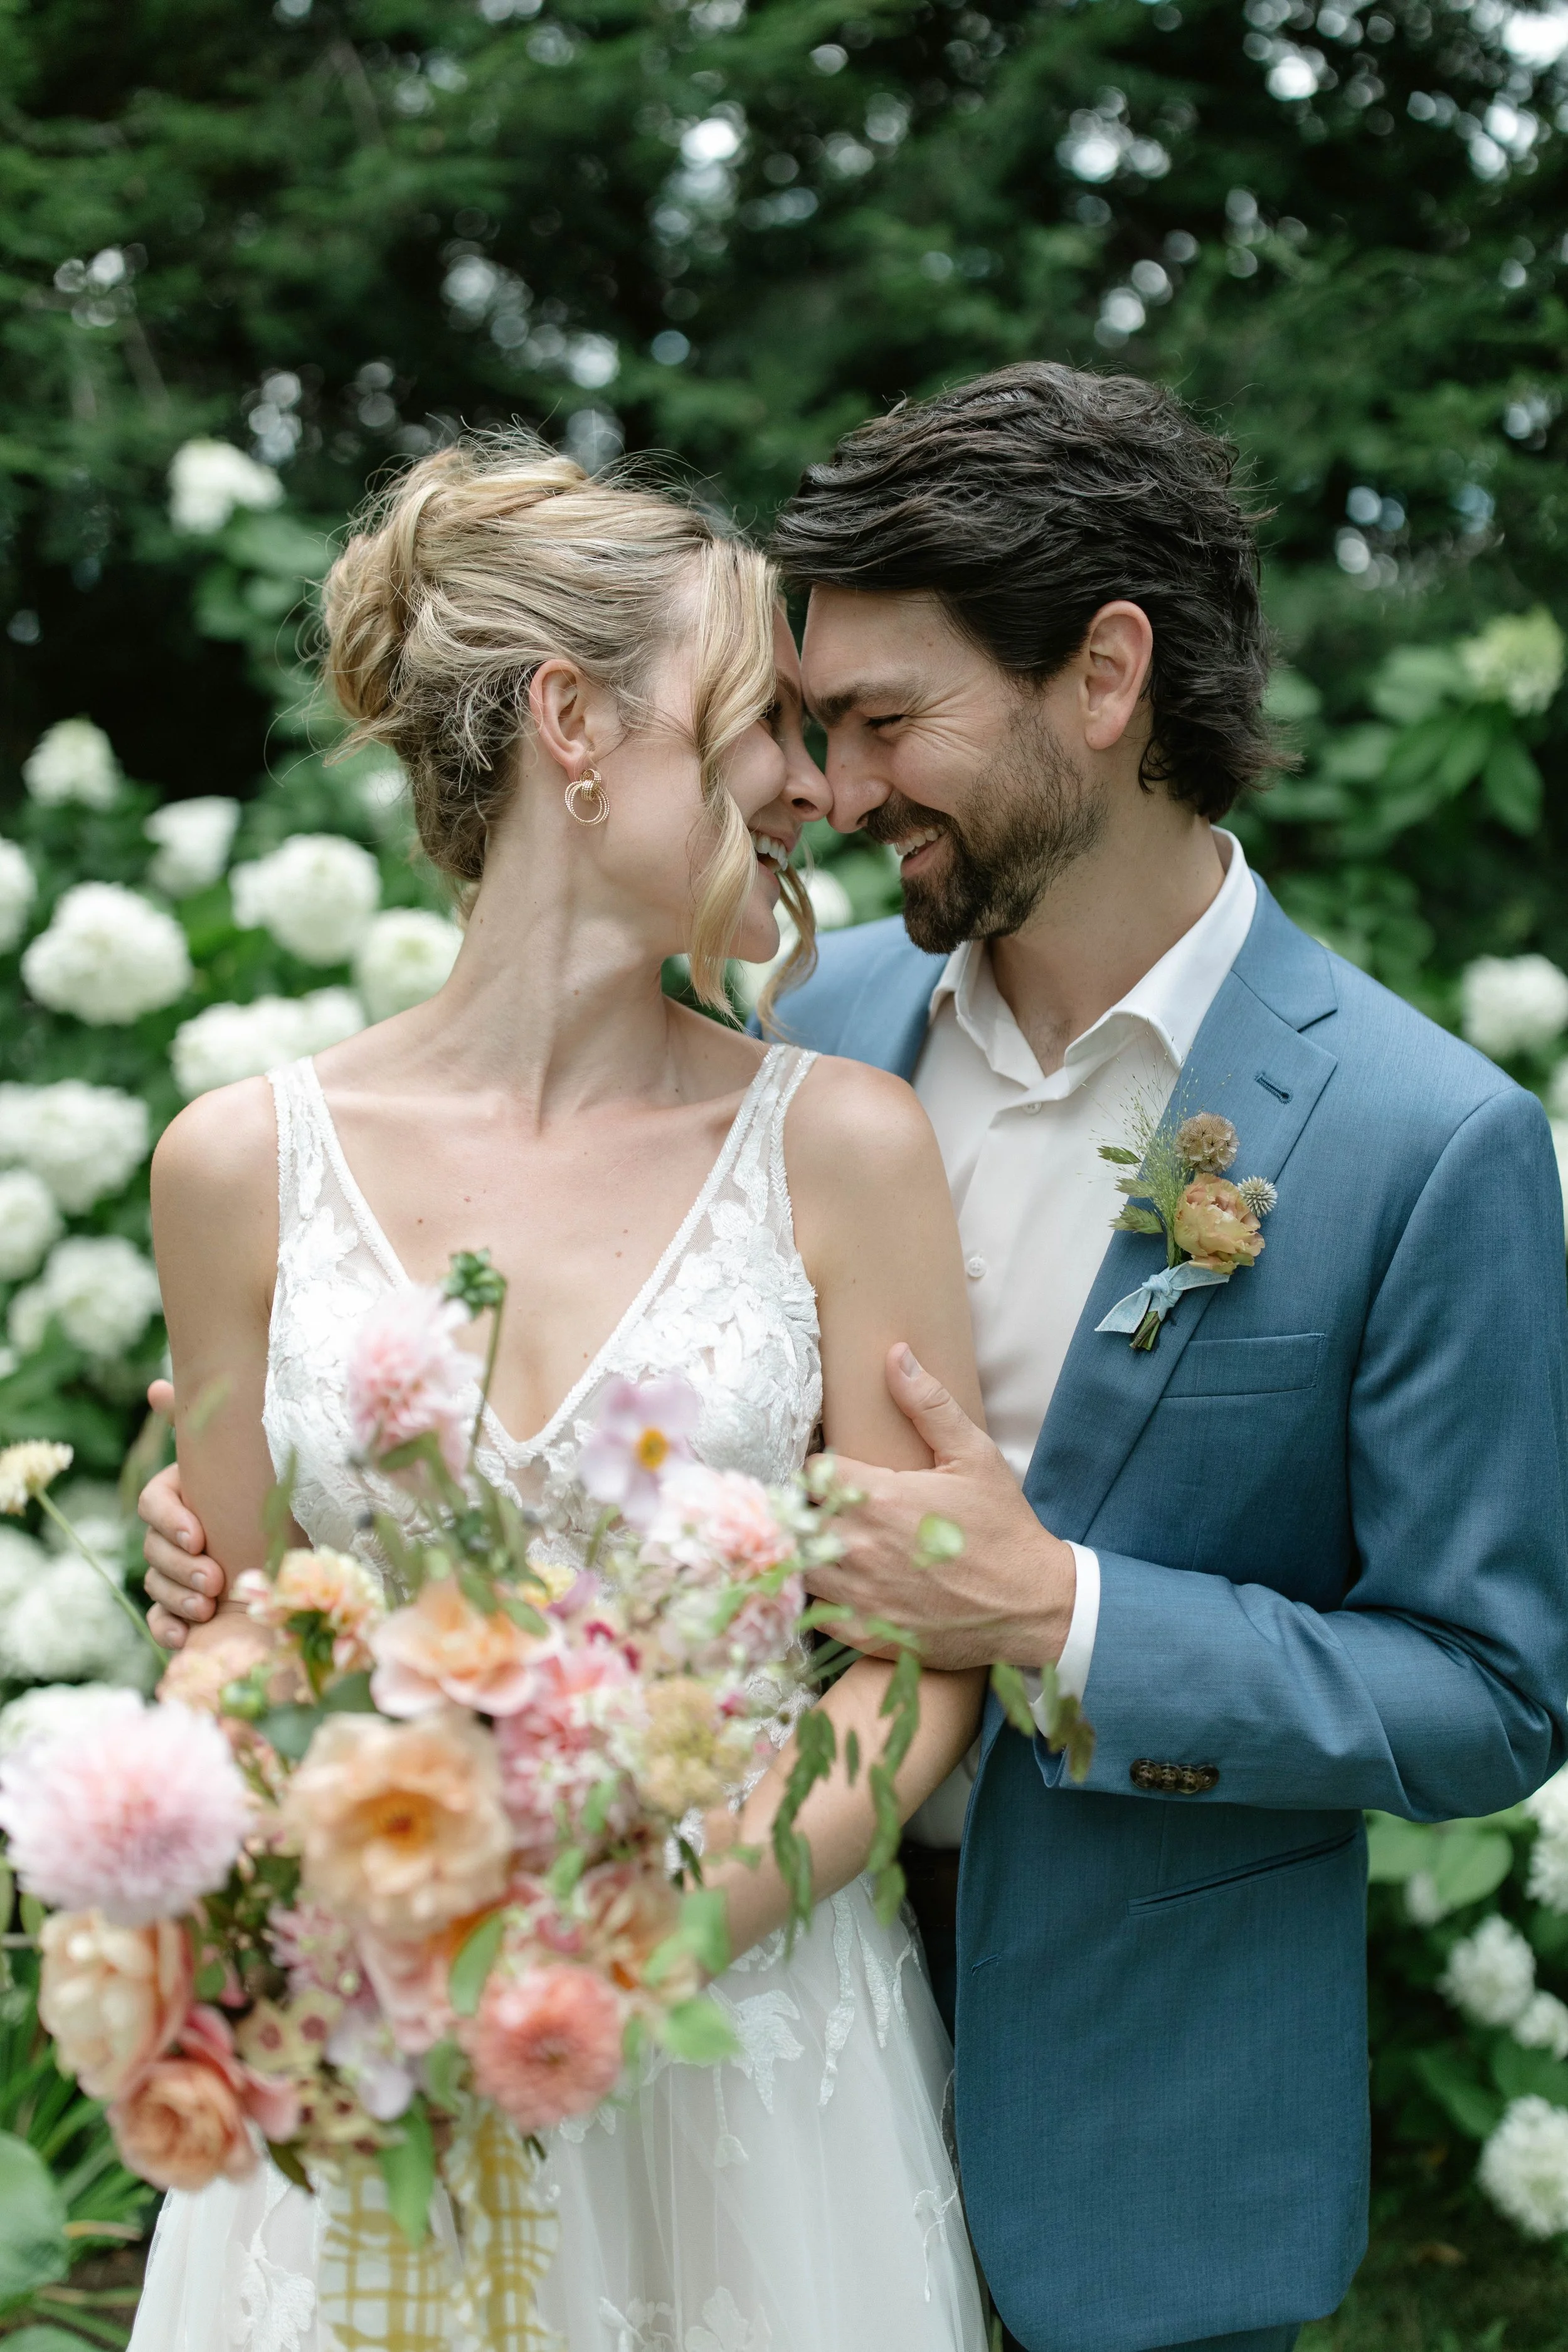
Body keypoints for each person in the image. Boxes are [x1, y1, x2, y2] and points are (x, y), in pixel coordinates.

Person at [129, 434, 988, 2352]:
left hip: (758, 2057)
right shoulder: (232, 1168)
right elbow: (249, 1655)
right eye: (759, 721)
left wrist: (663, 1930)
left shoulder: (844, 1149)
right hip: (394, 2052)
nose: (807, 784)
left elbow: (917, 1660)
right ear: (570, 718)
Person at [751, 361, 1568, 2352]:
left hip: (1147, 2137)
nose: (839, 792)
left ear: (1100, 675)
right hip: (753, 2051)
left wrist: (1066, 1614)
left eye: (885, 721)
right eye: (815, 727)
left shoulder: (1418, 1136)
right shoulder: (798, 1023)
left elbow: (1491, 1690)